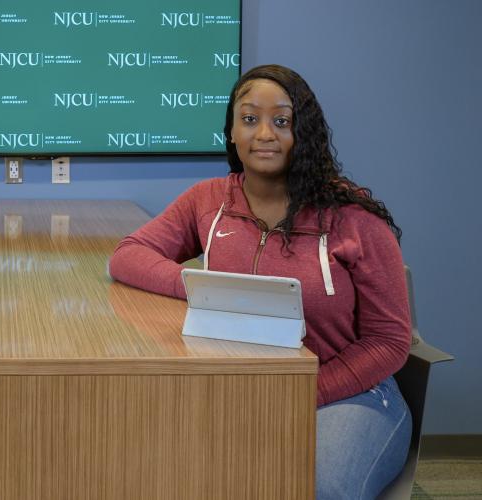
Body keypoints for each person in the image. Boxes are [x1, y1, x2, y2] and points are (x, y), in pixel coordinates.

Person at [109, 64, 411, 499]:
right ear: (231, 131)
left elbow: (389, 341)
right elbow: (127, 256)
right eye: (249, 119)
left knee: (316, 489)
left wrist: (300, 394)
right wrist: (198, 283)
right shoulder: (209, 199)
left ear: (302, 132)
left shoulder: (352, 216)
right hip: (241, 389)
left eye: (281, 121)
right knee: (160, 466)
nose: (264, 133)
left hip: (350, 394)